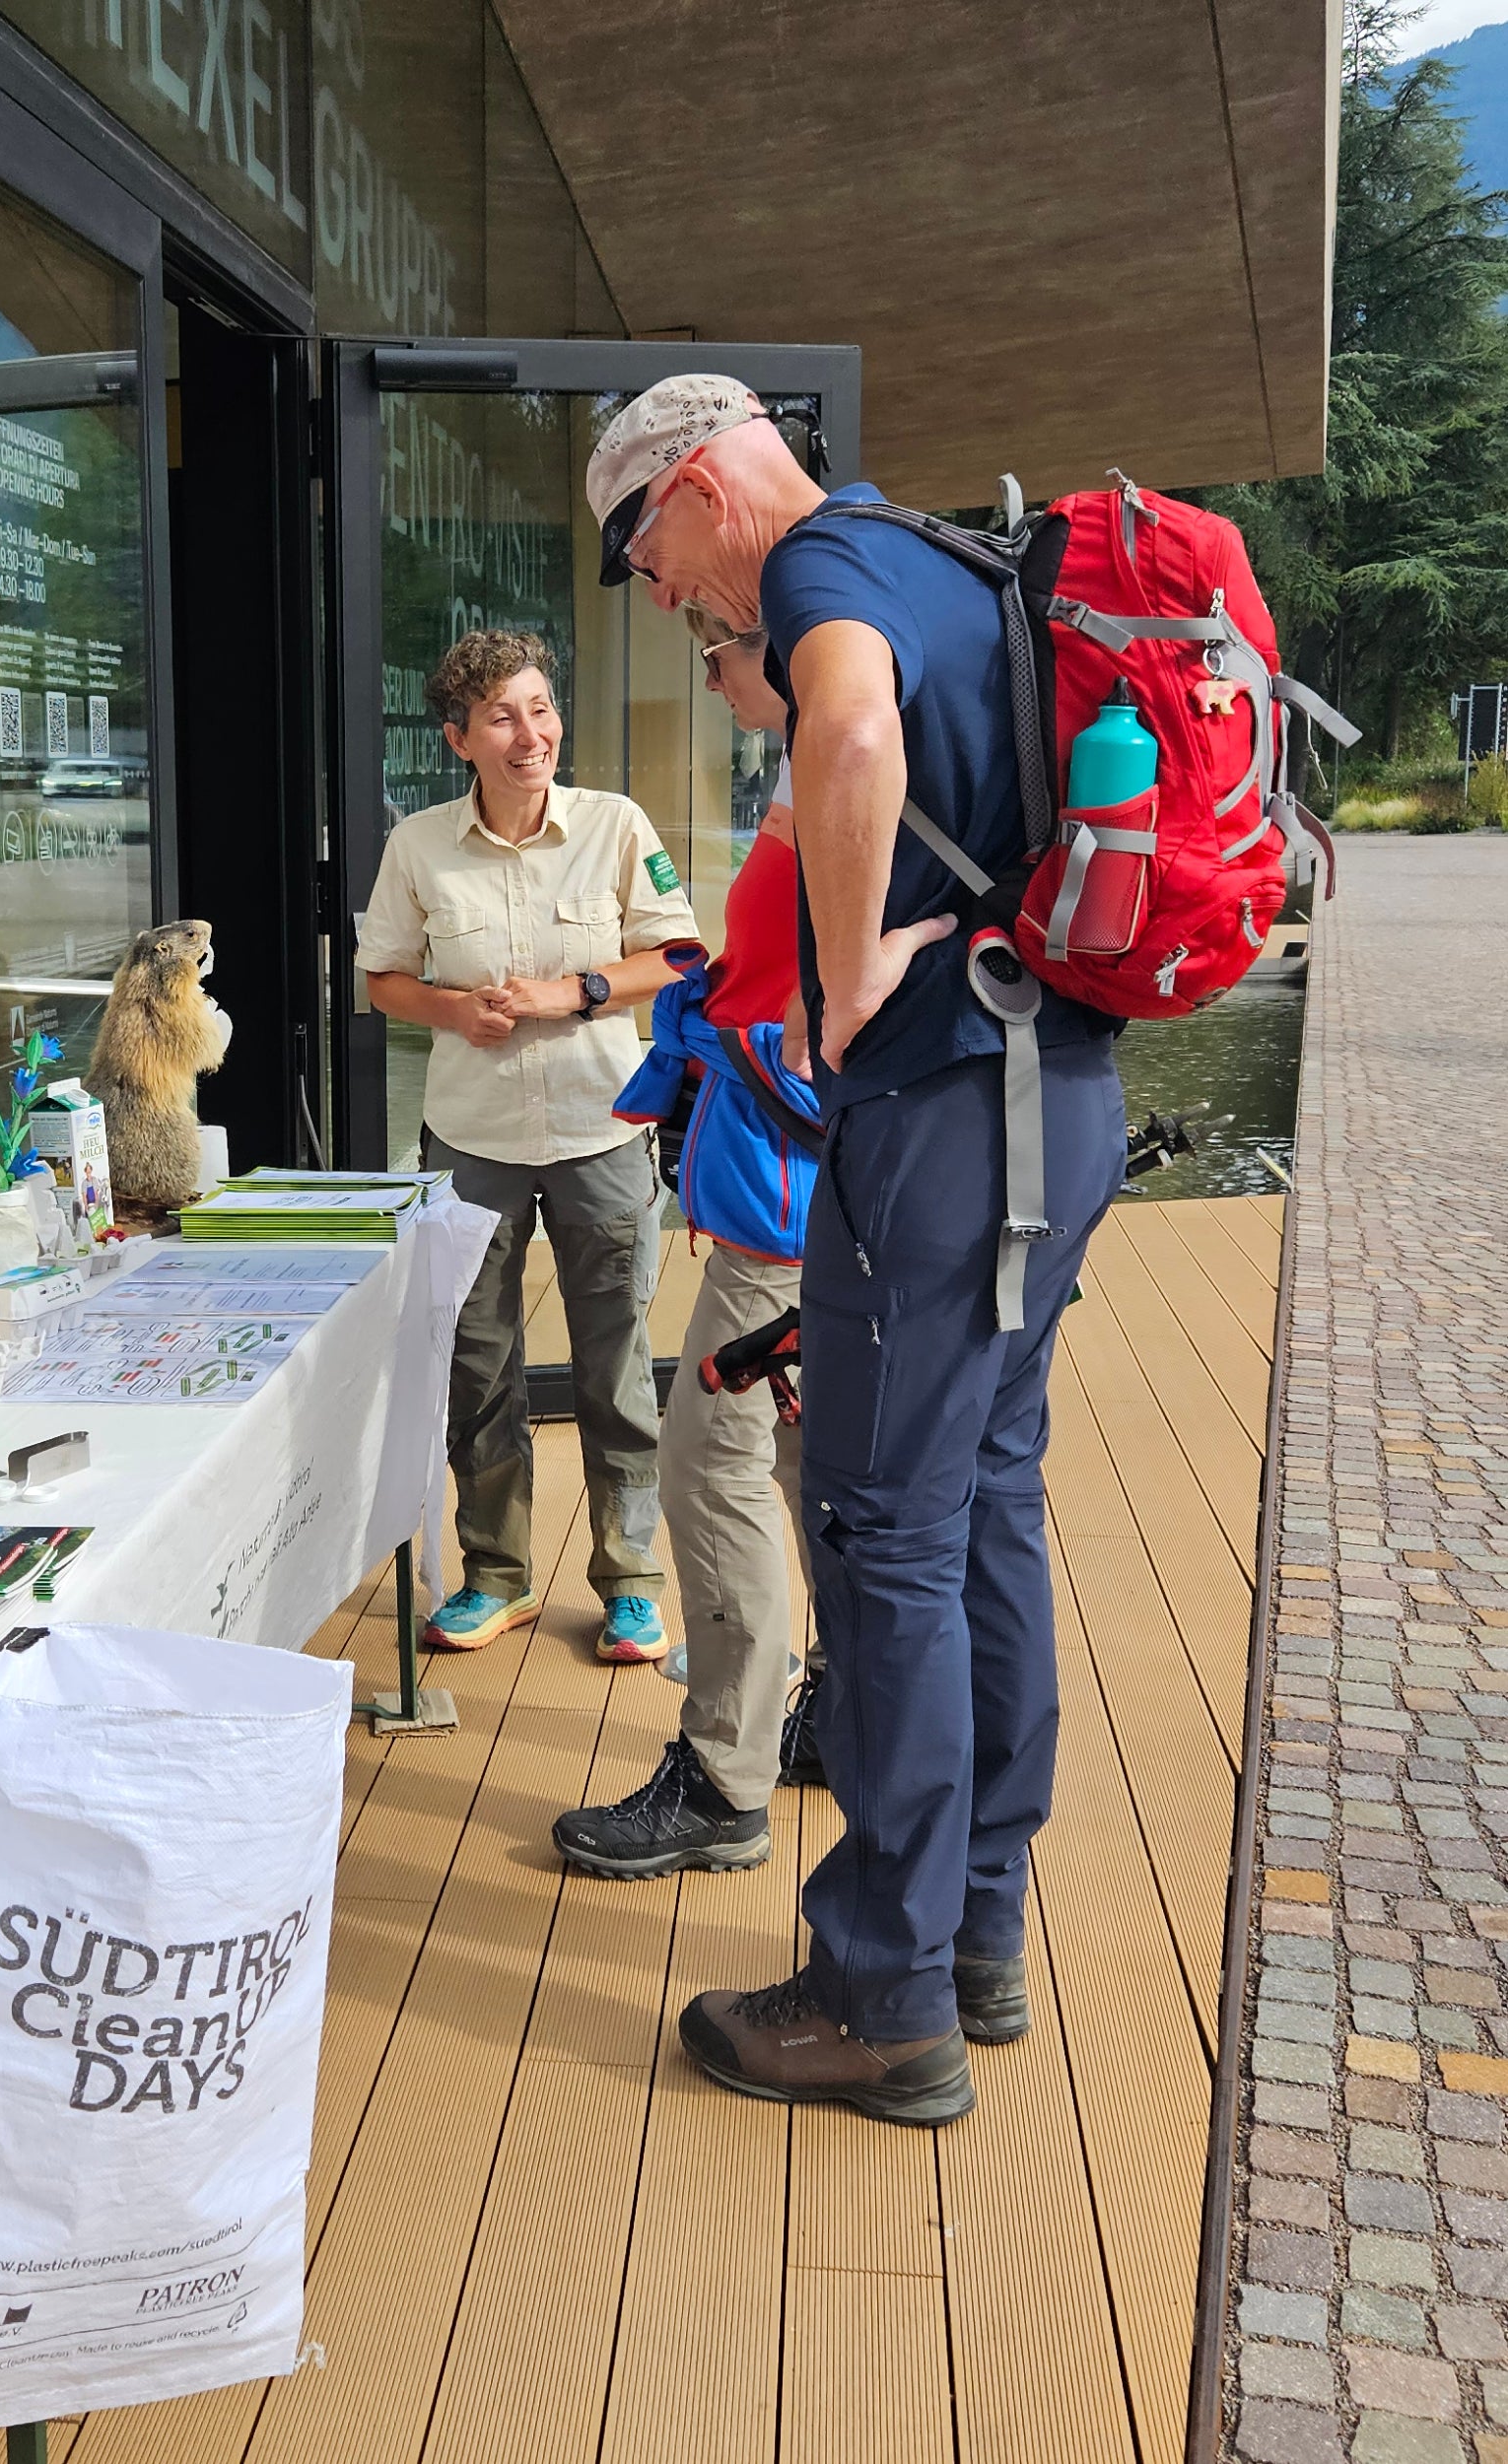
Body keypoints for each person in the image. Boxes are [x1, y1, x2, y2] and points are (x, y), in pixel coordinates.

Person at [583, 376, 1126, 2127]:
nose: (667, 600)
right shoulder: (947, 557)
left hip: (945, 1122)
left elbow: (852, 741)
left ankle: (879, 2001)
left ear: (694, 485)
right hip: (1060, 1095)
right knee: (983, 1508)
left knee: (883, 1531)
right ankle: (975, 1934)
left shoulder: (821, 567)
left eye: (644, 555)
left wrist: (837, 982)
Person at [357, 630, 699, 1665]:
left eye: (540, 708)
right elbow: (382, 977)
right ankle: (494, 1573)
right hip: (472, 1138)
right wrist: (452, 1012)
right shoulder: (416, 845)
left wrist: (577, 990)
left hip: (601, 1127)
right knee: (479, 1363)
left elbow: (680, 952)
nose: (530, 733)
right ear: (458, 736)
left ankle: (630, 1580)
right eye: (502, 715)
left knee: (615, 1364)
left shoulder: (614, 826)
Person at [553, 608, 827, 1881]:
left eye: (715, 654)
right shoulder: (839, 751)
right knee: (814, 1474)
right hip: (809, 1215)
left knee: (708, 1472)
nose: (707, 680)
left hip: (786, 1226)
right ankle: (840, 1714)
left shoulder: (843, 757)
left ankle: (725, 1779)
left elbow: (839, 1016)